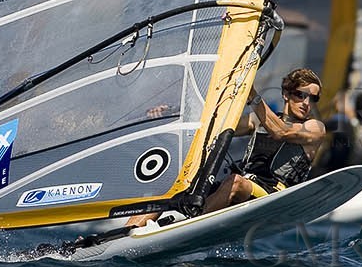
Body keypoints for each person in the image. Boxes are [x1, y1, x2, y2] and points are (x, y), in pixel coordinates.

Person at [124, 67, 326, 229]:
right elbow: (216, 126)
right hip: (239, 187)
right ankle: (127, 232)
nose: (306, 103)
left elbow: (281, 133)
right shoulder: (258, 121)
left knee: (236, 182)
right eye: (301, 95)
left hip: (273, 195)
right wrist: (172, 114)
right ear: (286, 94)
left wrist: (252, 95)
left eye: (313, 98)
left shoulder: (315, 128)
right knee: (177, 183)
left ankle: (188, 226)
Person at [319, 87, 362, 173]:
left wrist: (337, 106)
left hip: (332, 171)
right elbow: (356, 122)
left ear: (355, 107)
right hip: (356, 174)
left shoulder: (342, 123)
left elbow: (317, 126)